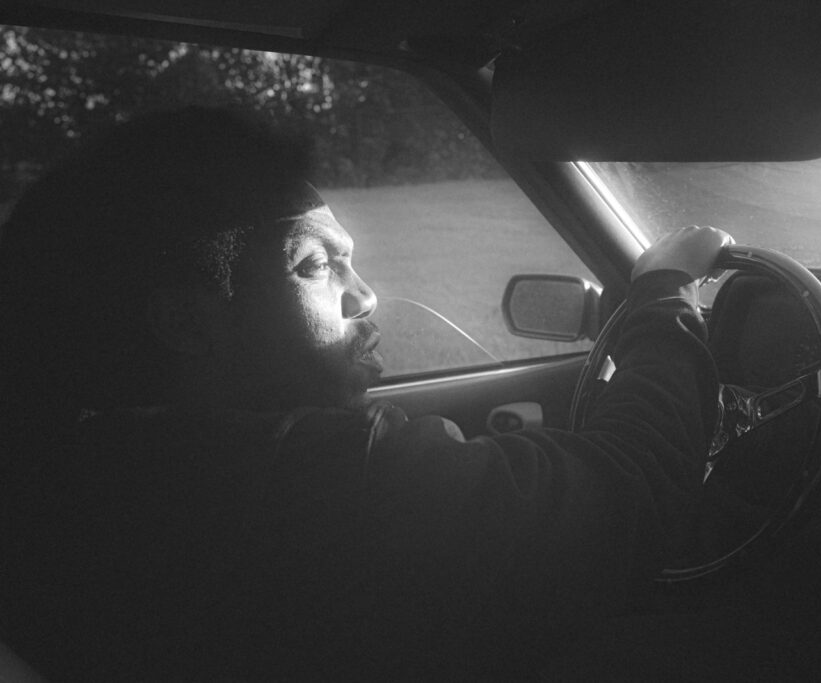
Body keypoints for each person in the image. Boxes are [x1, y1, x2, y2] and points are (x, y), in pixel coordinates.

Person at [0, 107, 727, 680]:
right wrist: (664, 292)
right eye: (315, 265)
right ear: (187, 321)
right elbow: (628, 491)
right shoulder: (307, 484)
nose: (365, 295)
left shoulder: (66, 473)